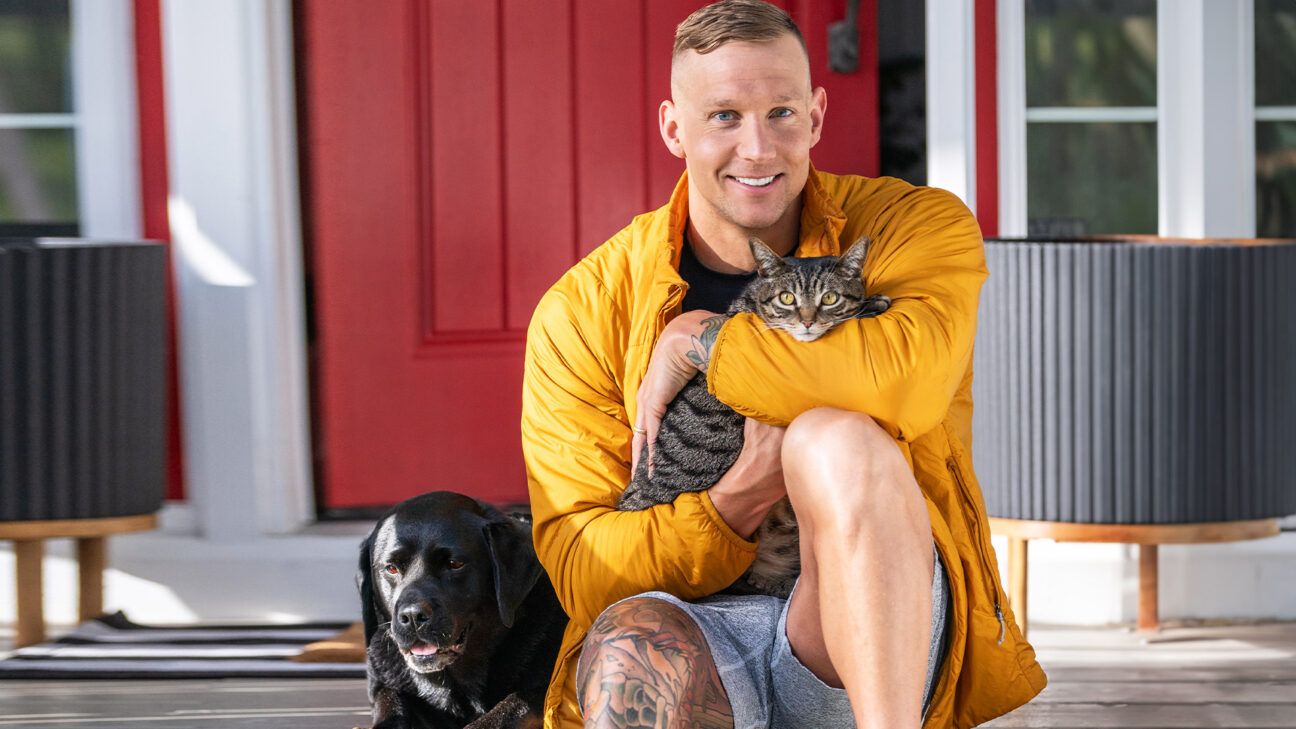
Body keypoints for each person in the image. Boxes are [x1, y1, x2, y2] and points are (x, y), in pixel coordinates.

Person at [520, 1, 1046, 727]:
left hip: (862, 609)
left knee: (835, 438)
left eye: (782, 113)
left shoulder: (915, 226)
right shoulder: (581, 310)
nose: (759, 149)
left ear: (818, 116)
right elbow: (586, 569)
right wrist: (737, 496)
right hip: (697, 623)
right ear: (674, 127)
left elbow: (906, 382)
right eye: (725, 117)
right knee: (626, 652)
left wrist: (708, 342)